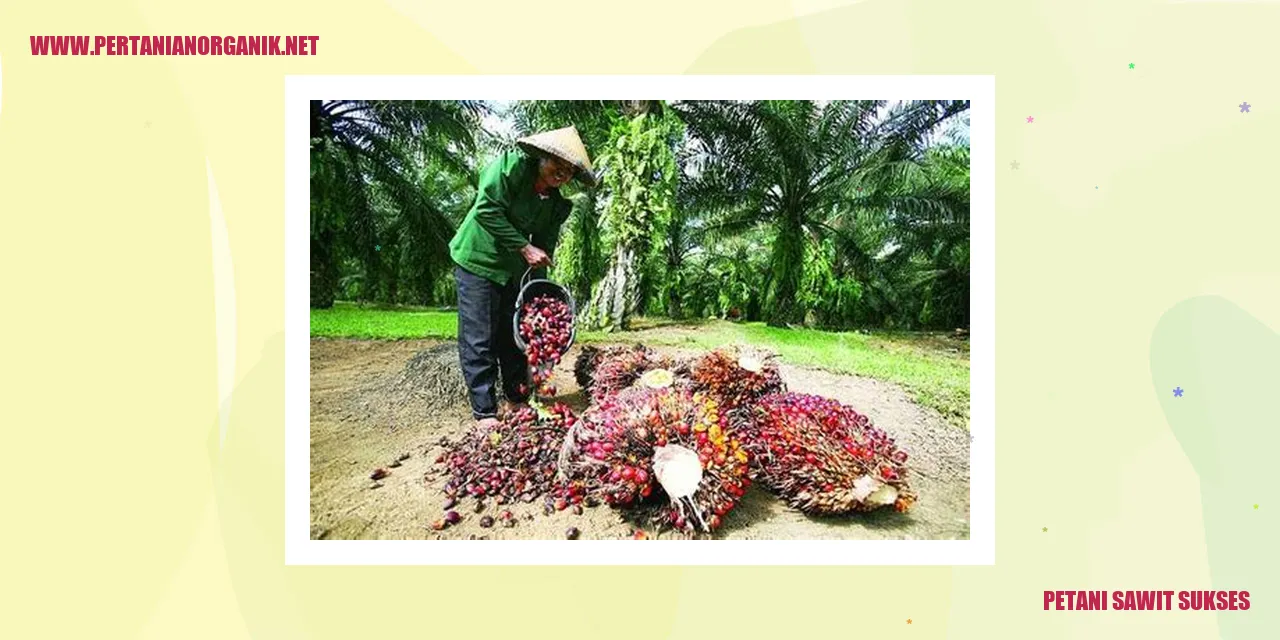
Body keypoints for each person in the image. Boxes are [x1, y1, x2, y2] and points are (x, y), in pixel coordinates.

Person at [449, 125, 597, 429]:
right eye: (558, 163)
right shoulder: (510, 169)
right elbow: (485, 211)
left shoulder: (557, 204)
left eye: (570, 170)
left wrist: (538, 296)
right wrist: (523, 246)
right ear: (542, 156)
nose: (562, 173)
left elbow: (542, 250)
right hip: (478, 259)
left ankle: (516, 399)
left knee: (514, 335)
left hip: (514, 271)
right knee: (480, 338)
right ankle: (485, 412)